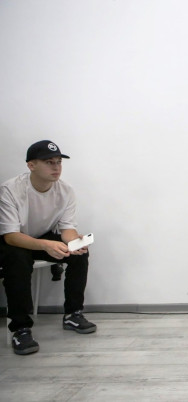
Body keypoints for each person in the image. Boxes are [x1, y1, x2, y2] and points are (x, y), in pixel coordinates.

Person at [0, 140, 96, 355]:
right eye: (49, 162)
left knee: (79, 253)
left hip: (41, 236)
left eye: (59, 162)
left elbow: (67, 228)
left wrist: (73, 242)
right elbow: (10, 236)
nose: (56, 167)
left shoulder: (66, 191)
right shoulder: (10, 189)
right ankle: (21, 328)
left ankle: (73, 314)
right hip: (15, 240)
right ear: (31, 165)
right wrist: (46, 245)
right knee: (17, 259)